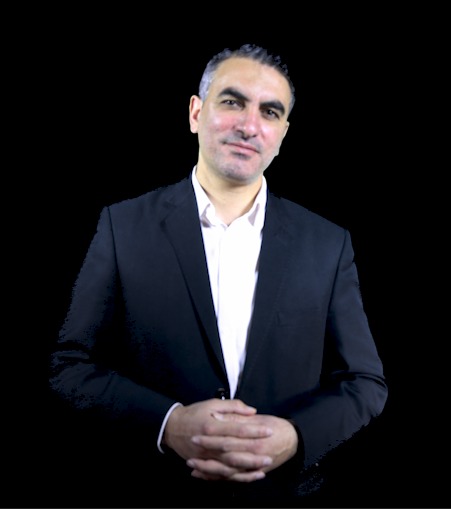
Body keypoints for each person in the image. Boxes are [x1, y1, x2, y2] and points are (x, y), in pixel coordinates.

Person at [49, 43, 388, 507]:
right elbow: (69, 365)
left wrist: (295, 436)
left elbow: (365, 382)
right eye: (232, 102)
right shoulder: (122, 226)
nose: (249, 125)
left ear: (282, 134)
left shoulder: (328, 244)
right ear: (195, 112)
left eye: (270, 112)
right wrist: (168, 424)